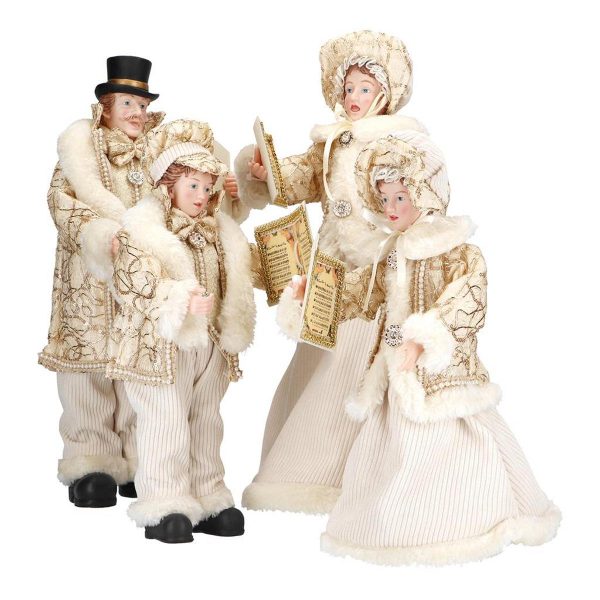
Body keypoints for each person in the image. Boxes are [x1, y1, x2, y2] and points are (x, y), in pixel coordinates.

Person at [312, 131, 561, 565]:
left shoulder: (455, 252)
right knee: (386, 447)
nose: (391, 209)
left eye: (400, 198)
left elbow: (468, 299)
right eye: (384, 200)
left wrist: (424, 338)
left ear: (425, 195)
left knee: (455, 443)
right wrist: (314, 295)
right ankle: (391, 523)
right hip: (395, 371)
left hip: (441, 372)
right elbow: (362, 293)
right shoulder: (391, 252)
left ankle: (456, 520)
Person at [235, 31, 428, 514]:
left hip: (373, 268)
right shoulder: (330, 142)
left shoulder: (398, 142)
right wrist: (266, 173)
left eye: (365, 88)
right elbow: (304, 178)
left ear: (385, 93)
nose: (354, 97)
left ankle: (338, 473)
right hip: (331, 267)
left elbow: (417, 195)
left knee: (353, 360)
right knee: (317, 357)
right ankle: (304, 469)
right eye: (348, 88)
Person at [109, 120, 256, 543]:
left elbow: (245, 269)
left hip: (210, 344)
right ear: (168, 185)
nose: (202, 196)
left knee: (206, 421)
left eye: (208, 188)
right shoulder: (143, 232)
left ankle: (207, 494)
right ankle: (165, 502)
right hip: (161, 345)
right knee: (165, 421)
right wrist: (177, 298)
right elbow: (131, 281)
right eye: (193, 186)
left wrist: (286, 268)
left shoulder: (219, 231)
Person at [39, 56, 165, 507]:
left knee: (136, 367)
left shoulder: (157, 152)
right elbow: (61, 201)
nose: (137, 112)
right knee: (87, 369)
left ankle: (136, 458)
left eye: (142, 105)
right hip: (90, 279)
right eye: (127, 103)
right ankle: (91, 460)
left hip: (137, 281)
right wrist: (96, 233)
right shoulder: (82, 153)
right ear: (106, 106)